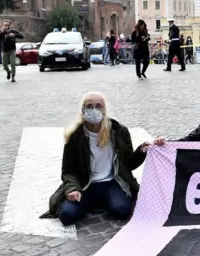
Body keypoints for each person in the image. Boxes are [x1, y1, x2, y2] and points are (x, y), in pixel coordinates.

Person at [44, 92, 150, 226]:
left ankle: (103, 200)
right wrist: (72, 189)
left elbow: (128, 164)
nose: (94, 110)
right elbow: (67, 170)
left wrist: (142, 150)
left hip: (111, 183)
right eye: (89, 106)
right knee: (66, 216)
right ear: (83, 110)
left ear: (105, 110)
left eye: (98, 106)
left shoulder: (119, 131)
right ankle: (94, 201)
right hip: (85, 184)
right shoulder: (75, 136)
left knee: (122, 211)